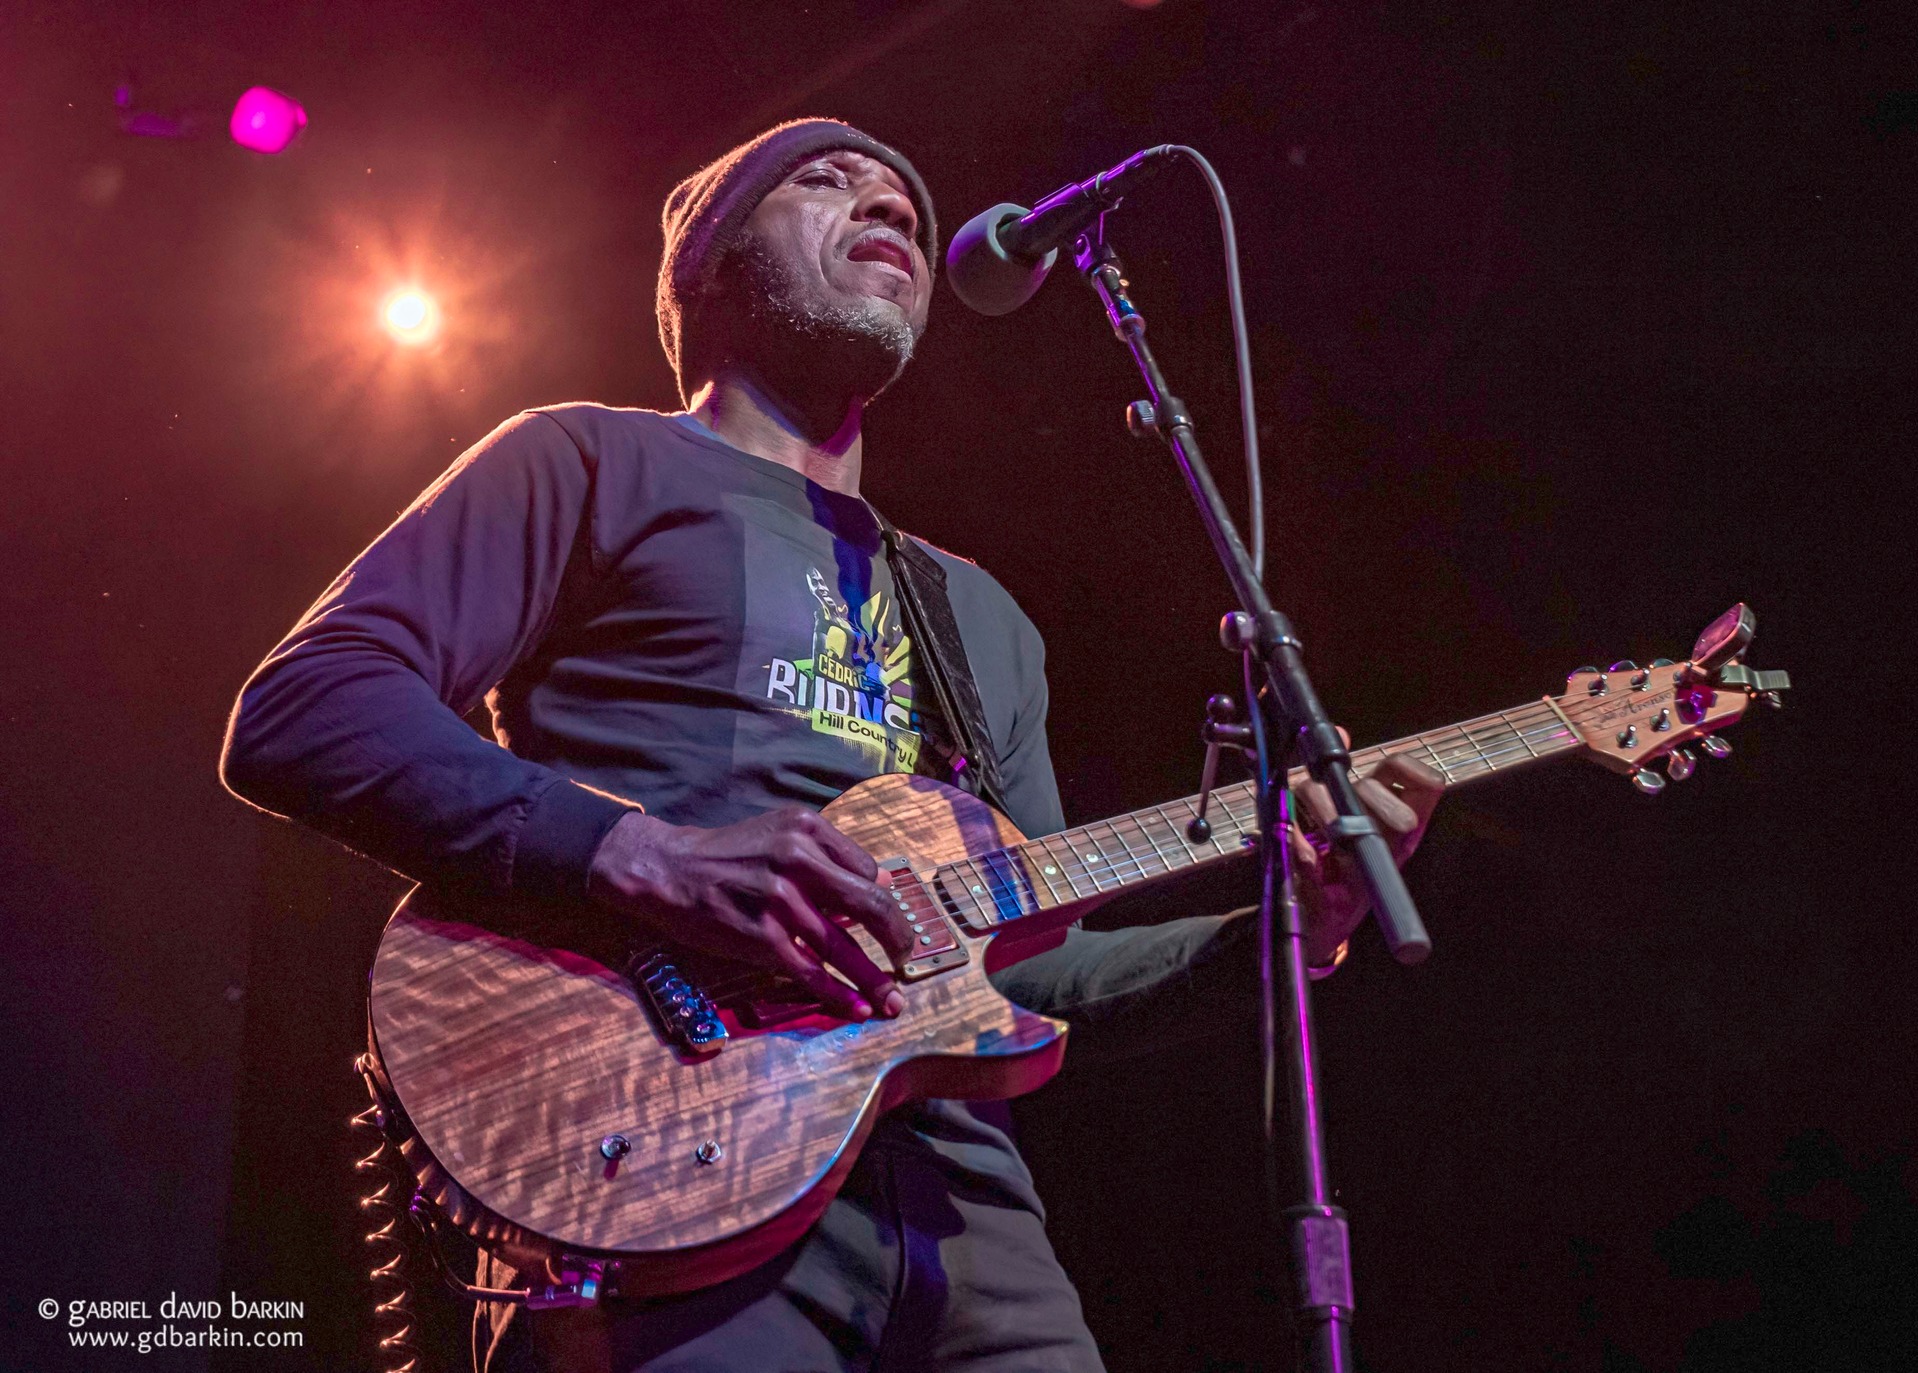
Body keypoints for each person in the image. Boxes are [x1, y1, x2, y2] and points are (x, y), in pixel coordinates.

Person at [220, 118, 1442, 1373]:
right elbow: (308, 704)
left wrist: (1291, 924)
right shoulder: (586, 458)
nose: (887, 204)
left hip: (970, 1236)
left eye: (906, 204)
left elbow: (1031, 975)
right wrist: (642, 856)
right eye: (822, 180)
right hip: (657, 1181)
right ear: (709, 268)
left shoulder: (982, 619)